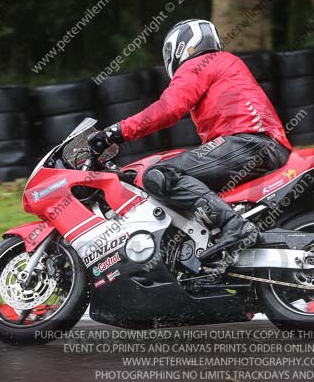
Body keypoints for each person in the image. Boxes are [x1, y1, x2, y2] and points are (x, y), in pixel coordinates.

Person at [89, 19, 292, 259]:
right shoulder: (225, 62)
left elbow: (169, 108)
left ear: (182, 45)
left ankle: (233, 225)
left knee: (160, 175)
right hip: (261, 145)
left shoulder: (201, 63)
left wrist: (117, 132)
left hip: (247, 143)